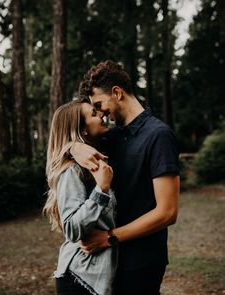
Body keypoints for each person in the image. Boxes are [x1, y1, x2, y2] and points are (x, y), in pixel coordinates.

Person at [70, 60, 180, 295]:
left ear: (117, 93)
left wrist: (108, 238)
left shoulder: (158, 135)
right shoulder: (112, 137)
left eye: (99, 104)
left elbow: (168, 212)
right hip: (108, 262)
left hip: (142, 261)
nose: (99, 114)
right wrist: (72, 147)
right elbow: (67, 137)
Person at [43, 99, 118, 295]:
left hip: (98, 278)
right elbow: (71, 228)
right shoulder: (72, 170)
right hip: (80, 279)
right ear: (82, 130)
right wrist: (101, 190)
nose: (101, 114)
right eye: (93, 114)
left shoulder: (98, 157)